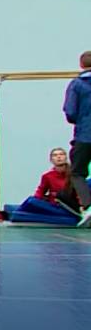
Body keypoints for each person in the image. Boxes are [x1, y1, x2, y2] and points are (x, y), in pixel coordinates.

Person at [6, 147, 82, 223]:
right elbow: (40, 192)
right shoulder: (47, 176)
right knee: (29, 201)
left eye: (61, 154)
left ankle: (16, 214)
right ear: (51, 160)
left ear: (66, 158)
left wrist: (82, 206)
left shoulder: (74, 174)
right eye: (55, 155)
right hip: (53, 206)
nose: (59, 157)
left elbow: (80, 192)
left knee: (30, 202)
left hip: (68, 207)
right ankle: (16, 213)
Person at [65, 51, 91, 220]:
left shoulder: (77, 84)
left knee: (77, 173)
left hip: (85, 135)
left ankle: (88, 206)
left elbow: (71, 112)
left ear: (81, 65)